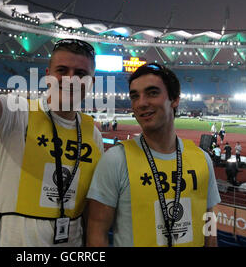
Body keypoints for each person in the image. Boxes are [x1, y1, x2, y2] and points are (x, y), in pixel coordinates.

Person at [0, 9, 104, 247]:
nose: (71, 79)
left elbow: (88, 203)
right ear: (48, 76)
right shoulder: (18, 112)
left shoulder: (93, 134)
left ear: (91, 83)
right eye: (62, 71)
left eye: (81, 74)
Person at [86, 63, 221, 247]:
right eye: (135, 96)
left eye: (152, 93)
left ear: (174, 100)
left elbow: (209, 220)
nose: (141, 103)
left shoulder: (202, 159)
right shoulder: (115, 160)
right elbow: (96, 232)